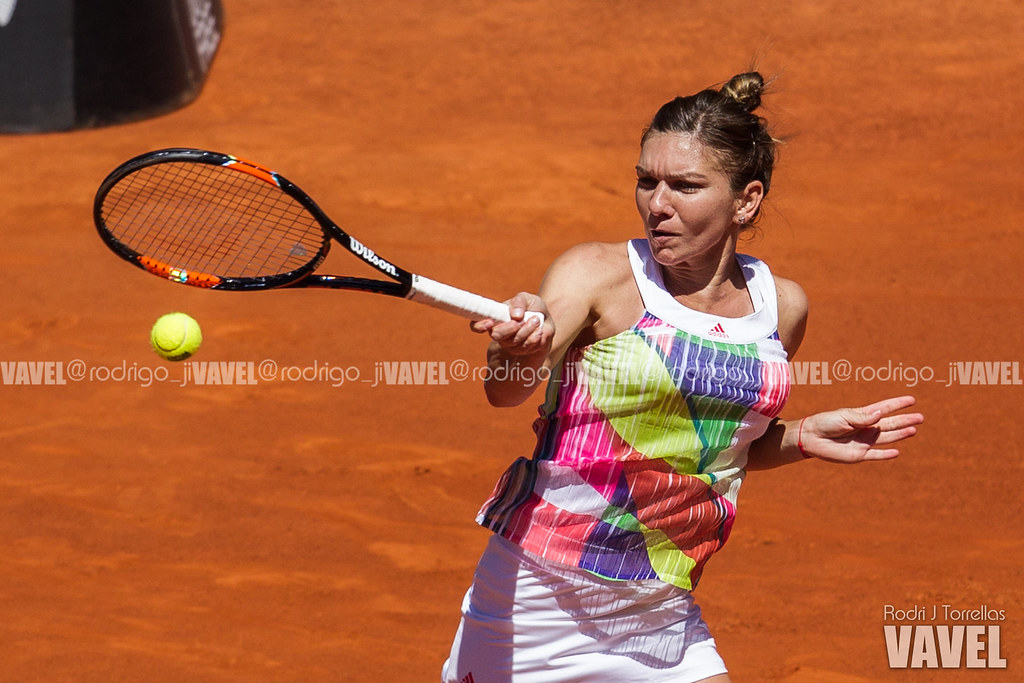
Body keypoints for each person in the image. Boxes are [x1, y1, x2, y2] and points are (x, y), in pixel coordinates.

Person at [441, 72, 924, 683]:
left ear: (746, 200)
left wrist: (800, 436)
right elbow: (505, 391)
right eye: (647, 181)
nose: (657, 204)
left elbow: (711, 445)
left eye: (686, 186)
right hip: (536, 598)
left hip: (660, 609)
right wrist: (516, 349)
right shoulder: (598, 276)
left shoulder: (781, 306)